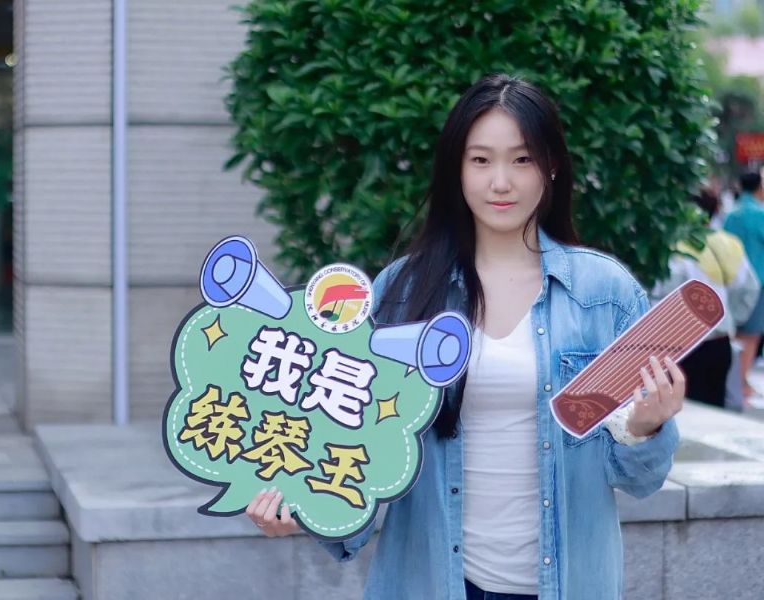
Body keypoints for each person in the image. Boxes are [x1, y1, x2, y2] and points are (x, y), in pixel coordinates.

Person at [245, 74, 683, 600]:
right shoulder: (404, 292)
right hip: (431, 581)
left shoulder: (604, 294)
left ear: (551, 165)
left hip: (568, 584)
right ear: (457, 169)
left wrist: (645, 425)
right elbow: (362, 445)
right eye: (480, 160)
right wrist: (303, 510)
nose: (501, 182)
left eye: (521, 159)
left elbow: (638, 481)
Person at [651, 189, 759, 408]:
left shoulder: (669, 243)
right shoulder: (729, 244)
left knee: (675, 410)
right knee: (713, 411)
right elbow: (750, 287)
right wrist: (730, 317)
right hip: (718, 339)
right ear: (716, 210)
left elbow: (660, 292)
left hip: (676, 342)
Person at [724, 171, 764, 400]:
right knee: (751, 334)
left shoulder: (732, 213)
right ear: (759, 188)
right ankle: (742, 382)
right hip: (757, 281)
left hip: (733, 280)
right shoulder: (759, 214)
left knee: (736, 332)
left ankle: (737, 379)